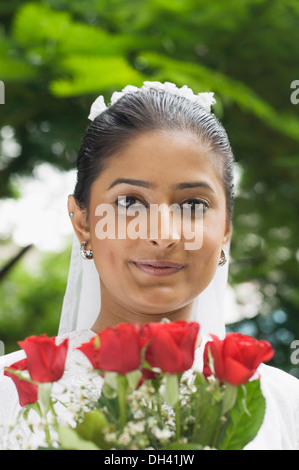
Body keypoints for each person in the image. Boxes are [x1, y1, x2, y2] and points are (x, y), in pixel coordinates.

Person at [0, 81, 298, 449]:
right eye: (129, 202)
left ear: (225, 231)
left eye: (193, 205)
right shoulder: (9, 393)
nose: (162, 234)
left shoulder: (285, 406)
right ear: (83, 223)